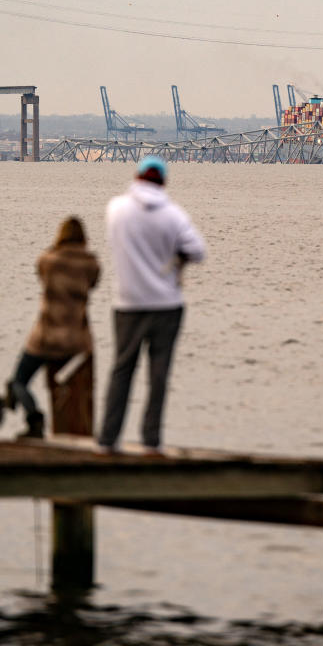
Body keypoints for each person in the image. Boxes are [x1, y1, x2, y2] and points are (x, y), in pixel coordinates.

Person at [97, 156, 206, 454]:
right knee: (158, 376)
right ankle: (151, 441)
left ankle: (107, 440)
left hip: (127, 304)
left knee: (121, 371)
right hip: (166, 305)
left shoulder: (116, 209)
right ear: (164, 181)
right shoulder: (174, 215)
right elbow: (198, 251)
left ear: (136, 175)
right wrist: (176, 256)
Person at [6, 217, 100, 438]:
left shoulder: (48, 260)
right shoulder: (91, 264)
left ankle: (33, 418)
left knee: (18, 381)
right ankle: (75, 431)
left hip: (45, 338)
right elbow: (94, 282)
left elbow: (41, 273)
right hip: (75, 340)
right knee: (70, 390)